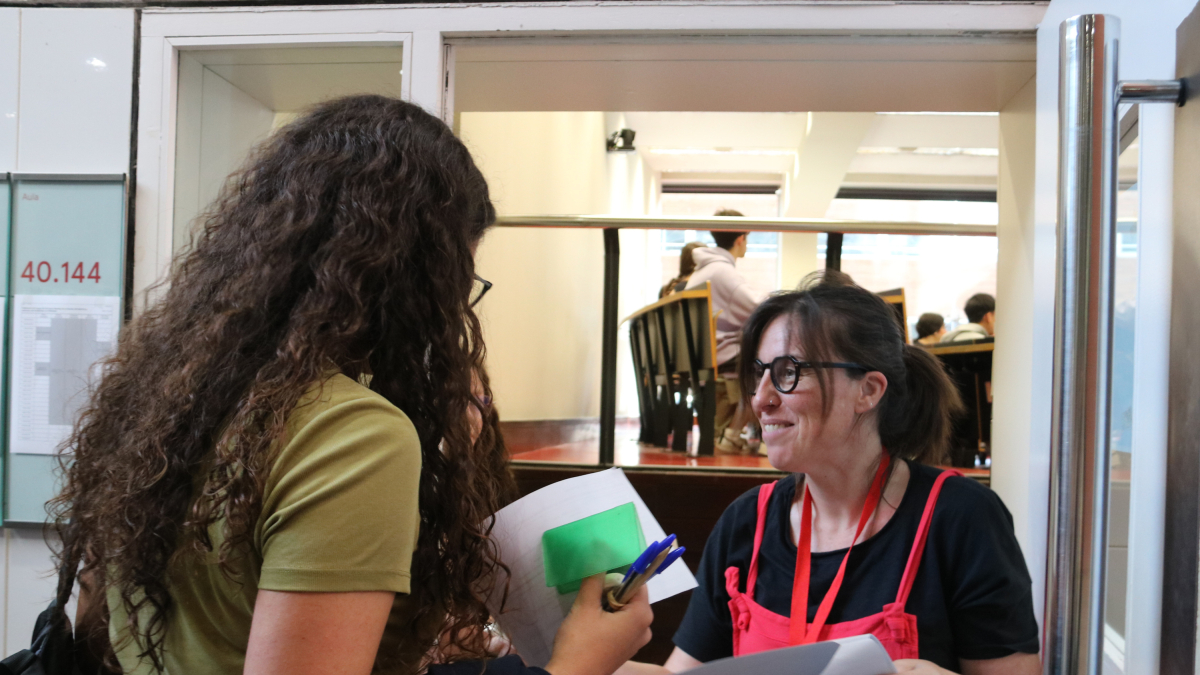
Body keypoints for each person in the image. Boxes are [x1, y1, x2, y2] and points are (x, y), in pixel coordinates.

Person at [51, 95, 652, 675]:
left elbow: (111, 623)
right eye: (460, 284)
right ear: (416, 278)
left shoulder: (173, 400)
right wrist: (579, 663)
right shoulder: (357, 435)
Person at [645, 271, 1039, 674]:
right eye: (759, 373)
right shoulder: (747, 522)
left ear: (868, 390)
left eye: (788, 372)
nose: (761, 399)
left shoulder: (961, 520)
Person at [684, 210, 767, 454]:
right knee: (773, 361)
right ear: (741, 238)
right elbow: (759, 308)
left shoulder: (702, 271)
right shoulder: (723, 272)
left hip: (705, 354)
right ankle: (746, 433)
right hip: (723, 355)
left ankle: (738, 433)